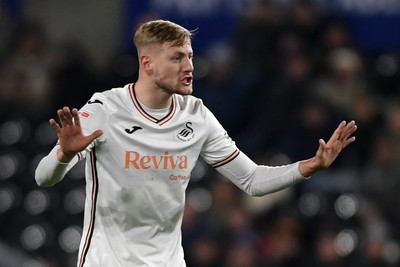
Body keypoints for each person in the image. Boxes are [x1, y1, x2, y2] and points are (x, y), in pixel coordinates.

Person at [35, 19, 357, 267]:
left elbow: (252, 179)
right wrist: (64, 154)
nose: (189, 67)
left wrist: (310, 166)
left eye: (189, 56)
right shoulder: (105, 110)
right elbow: (43, 177)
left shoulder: (196, 115)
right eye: (177, 58)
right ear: (147, 64)